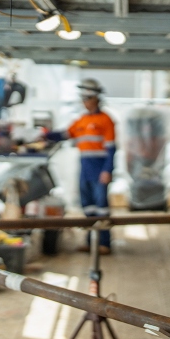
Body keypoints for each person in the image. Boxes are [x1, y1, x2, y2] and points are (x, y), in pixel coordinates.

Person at [49, 78, 116, 254]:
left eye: (87, 99)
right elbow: (65, 134)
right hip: (85, 166)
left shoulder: (106, 120)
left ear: (95, 98)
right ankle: (90, 241)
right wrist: (43, 135)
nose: (85, 102)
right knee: (88, 206)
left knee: (101, 206)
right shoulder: (82, 120)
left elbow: (111, 148)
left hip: (99, 166)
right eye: (83, 99)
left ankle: (104, 243)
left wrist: (107, 170)